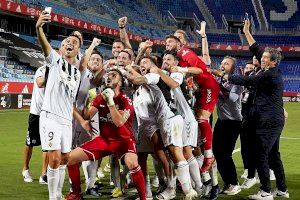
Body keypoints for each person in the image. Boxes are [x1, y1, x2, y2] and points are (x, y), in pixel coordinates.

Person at [220, 19, 289, 200]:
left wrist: (225, 75)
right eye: (263, 57)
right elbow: (256, 49)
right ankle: (282, 189)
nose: (262, 59)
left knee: (261, 154)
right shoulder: (269, 69)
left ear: (273, 62)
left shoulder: (269, 74)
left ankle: (265, 192)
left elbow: (247, 81)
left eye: (265, 58)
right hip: (271, 120)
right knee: (273, 155)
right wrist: (247, 32)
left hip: (268, 121)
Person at [65, 69, 146, 200]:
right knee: (70, 158)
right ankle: (76, 194)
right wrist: (88, 101)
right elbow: (87, 115)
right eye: (108, 76)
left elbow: (119, 122)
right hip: (105, 140)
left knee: (132, 163)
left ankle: (143, 197)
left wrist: (110, 102)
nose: (109, 77)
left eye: (113, 76)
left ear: (120, 82)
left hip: (124, 141)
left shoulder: (126, 100)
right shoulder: (100, 97)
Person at [36, 11, 82, 200]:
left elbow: (70, 99)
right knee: (53, 158)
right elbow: (44, 46)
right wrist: (39, 27)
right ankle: (53, 197)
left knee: (64, 159)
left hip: (66, 121)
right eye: (65, 43)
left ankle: (57, 194)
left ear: (78, 50)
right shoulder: (55, 61)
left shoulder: (77, 74)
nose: (69, 44)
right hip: (50, 116)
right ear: (60, 49)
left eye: (74, 43)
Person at [165, 34, 220, 174]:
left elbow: (199, 70)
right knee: (198, 122)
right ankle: (203, 165)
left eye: (170, 42)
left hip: (208, 85)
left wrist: (181, 71)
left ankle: (209, 156)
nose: (167, 44)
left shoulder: (184, 52)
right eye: (166, 43)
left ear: (178, 44)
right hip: (199, 89)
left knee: (202, 119)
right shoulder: (174, 58)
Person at [211, 56, 243, 195]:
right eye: (222, 63)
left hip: (233, 122)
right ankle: (227, 182)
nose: (223, 65)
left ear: (233, 67)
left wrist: (218, 83)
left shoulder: (237, 82)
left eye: (227, 63)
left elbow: (232, 98)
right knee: (217, 153)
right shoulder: (219, 80)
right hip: (222, 120)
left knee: (226, 154)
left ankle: (234, 183)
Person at [22, 65, 48, 184]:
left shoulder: (62, 71)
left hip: (50, 114)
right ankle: (25, 169)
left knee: (47, 146)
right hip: (36, 113)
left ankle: (44, 174)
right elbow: (39, 83)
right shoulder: (42, 69)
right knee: (30, 143)